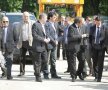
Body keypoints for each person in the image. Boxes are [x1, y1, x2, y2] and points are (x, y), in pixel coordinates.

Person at [32, 13, 50, 82]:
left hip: (44, 47)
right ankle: (38, 76)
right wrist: (43, 39)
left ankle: (37, 71)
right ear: (42, 18)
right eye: (46, 18)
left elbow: (46, 34)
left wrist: (48, 38)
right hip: (37, 46)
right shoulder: (35, 24)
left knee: (45, 61)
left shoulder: (44, 25)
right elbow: (34, 35)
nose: (46, 19)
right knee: (38, 62)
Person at [89, 16, 107, 82]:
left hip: (101, 48)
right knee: (95, 62)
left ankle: (99, 77)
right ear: (95, 21)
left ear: (101, 21)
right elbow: (90, 38)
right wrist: (91, 45)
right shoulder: (92, 28)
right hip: (94, 47)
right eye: (96, 21)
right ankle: (96, 76)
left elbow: (106, 38)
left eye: (99, 21)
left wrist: (105, 47)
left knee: (100, 63)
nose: (97, 22)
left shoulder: (105, 28)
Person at [17, 11, 34, 76]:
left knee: (33, 57)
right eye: (24, 16)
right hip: (22, 42)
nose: (26, 17)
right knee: (21, 58)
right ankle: (22, 72)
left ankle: (36, 71)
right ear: (22, 17)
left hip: (30, 42)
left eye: (27, 16)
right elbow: (18, 33)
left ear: (28, 17)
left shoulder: (32, 23)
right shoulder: (20, 23)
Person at [46, 11, 61, 79]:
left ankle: (53, 74)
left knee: (53, 60)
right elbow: (48, 34)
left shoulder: (56, 24)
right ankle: (46, 74)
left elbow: (57, 33)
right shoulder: (47, 24)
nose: (55, 18)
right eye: (54, 17)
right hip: (49, 44)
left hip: (55, 45)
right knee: (47, 60)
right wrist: (54, 41)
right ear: (50, 17)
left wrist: (57, 40)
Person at [67, 17, 82, 82]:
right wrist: (81, 36)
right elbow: (72, 37)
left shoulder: (79, 27)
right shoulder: (71, 27)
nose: (82, 24)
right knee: (73, 62)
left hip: (79, 47)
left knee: (82, 61)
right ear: (78, 22)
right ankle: (73, 76)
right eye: (81, 22)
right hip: (73, 47)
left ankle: (78, 73)